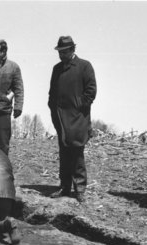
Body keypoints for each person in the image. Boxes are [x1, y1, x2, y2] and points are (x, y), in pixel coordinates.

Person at [48, 36, 97, 203]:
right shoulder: (57, 69)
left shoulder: (84, 66)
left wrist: (79, 105)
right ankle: (64, 186)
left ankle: (80, 188)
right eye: (60, 52)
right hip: (61, 118)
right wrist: (53, 110)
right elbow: (52, 93)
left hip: (78, 118)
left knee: (76, 152)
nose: (61, 55)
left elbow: (91, 91)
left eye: (64, 52)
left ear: (72, 50)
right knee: (64, 152)